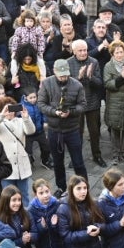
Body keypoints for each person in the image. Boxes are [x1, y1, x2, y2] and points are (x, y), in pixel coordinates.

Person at [41, 58, 89, 192]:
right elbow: (41, 104)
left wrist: (71, 112)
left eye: (66, 75)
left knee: (78, 162)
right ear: (54, 71)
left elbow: (83, 105)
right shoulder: (46, 84)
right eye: (61, 75)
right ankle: (61, 187)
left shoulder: (77, 85)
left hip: (72, 129)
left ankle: (83, 188)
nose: (64, 77)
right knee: (57, 163)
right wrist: (55, 112)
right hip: (54, 130)